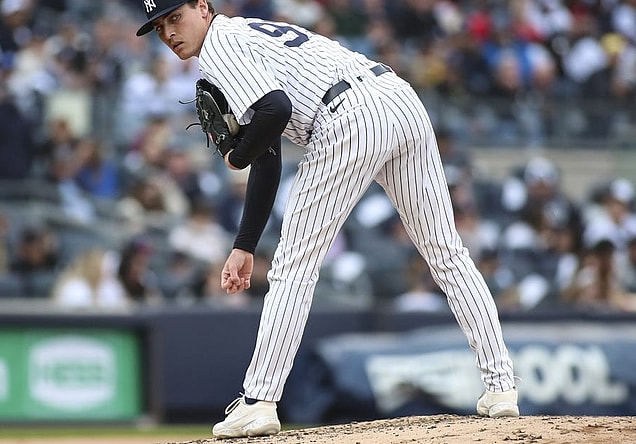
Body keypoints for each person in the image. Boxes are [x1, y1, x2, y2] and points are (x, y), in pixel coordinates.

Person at [135, 0, 519, 438]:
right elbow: (269, 158)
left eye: (174, 17)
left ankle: (259, 401)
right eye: (159, 26)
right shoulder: (248, 33)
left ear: (202, 6)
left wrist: (233, 155)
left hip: (349, 117)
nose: (168, 32)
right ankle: (501, 386)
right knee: (448, 254)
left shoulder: (221, 47)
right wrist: (244, 244)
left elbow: (275, 111)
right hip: (397, 98)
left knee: (293, 267)